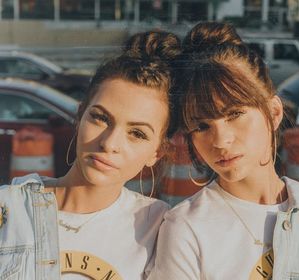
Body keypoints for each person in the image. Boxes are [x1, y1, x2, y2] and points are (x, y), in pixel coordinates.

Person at [148, 22, 299, 280]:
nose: (220, 140)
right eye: (201, 125)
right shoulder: (188, 228)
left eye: (234, 114)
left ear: (274, 112)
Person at [0, 30, 181, 280]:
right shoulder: (10, 209)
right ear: (80, 115)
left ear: (157, 152)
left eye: (137, 133)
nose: (109, 143)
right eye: (101, 118)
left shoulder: (160, 229)